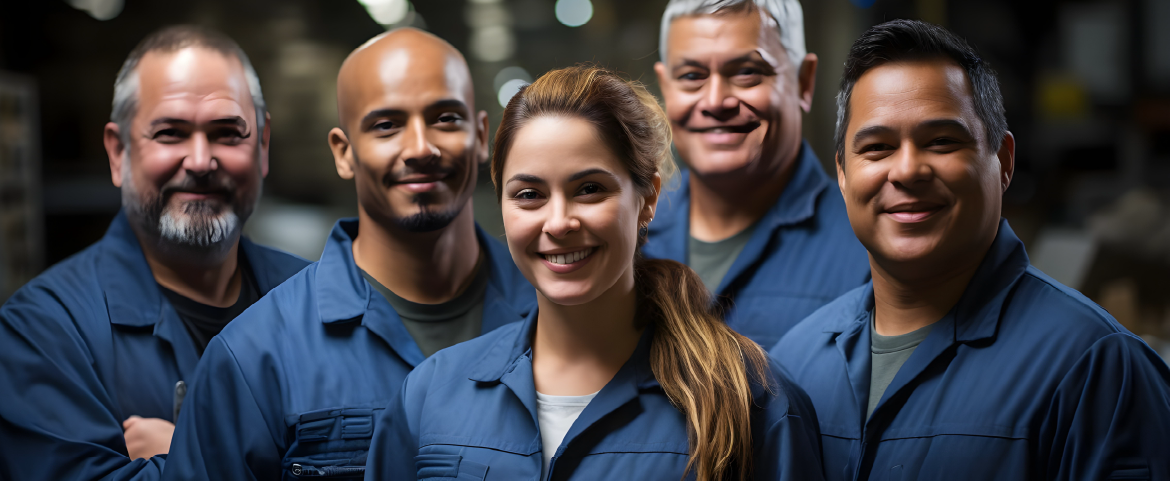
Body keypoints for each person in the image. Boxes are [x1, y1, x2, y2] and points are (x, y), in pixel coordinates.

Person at [366, 65, 824, 481]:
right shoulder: (430, 396)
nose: (559, 222)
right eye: (529, 194)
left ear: (646, 199)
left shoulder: (751, 401)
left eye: (589, 189)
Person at [771, 19, 1170, 481]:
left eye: (941, 141)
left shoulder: (1097, 369)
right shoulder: (793, 363)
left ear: (1002, 161)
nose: (907, 171)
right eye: (877, 148)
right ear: (842, 173)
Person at [163, 28, 535, 480]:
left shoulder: (556, 316)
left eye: (445, 119)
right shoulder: (254, 357)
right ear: (344, 153)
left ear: (480, 136)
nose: (420, 147)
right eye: (386, 125)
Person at [0, 26, 309, 480]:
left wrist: (189, 447)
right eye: (170, 133)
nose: (201, 161)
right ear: (118, 152)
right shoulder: (43, 333)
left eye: (227, 133)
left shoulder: (316, 301)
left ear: (261, 146)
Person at [649, 0, 870, 347]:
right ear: (665, 87)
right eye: (691, 77)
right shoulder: (629, 235)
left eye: (747, 72)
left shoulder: (870, 243)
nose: (716, 101)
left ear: (804, 82)